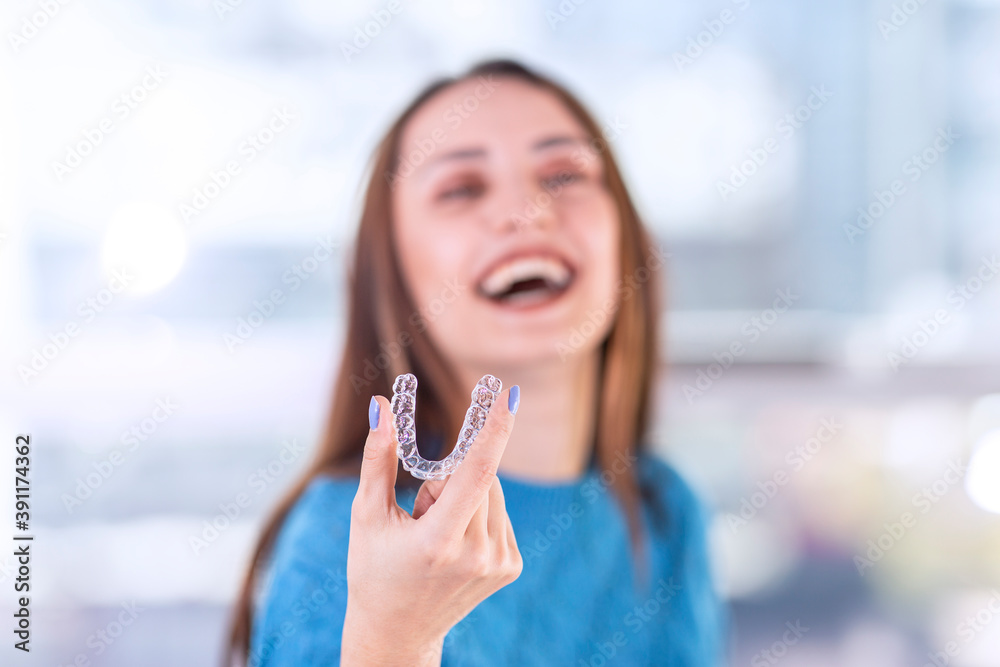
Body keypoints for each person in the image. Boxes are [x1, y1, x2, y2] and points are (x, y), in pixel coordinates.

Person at [224, 58, 727, 666]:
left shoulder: (665, 513)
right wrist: (393, 639)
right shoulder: (351, 538)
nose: (526, 210)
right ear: (396, 277)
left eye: (564, 173)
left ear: (624, 235)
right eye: (461, 188)